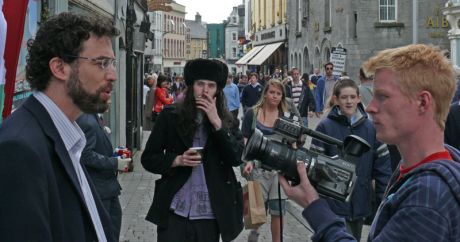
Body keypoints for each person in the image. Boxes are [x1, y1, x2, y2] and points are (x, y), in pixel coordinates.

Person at [280, 44, 460, 241]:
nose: (371, 107)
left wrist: (315, 208)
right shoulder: (423, 167)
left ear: (423, 102)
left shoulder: (426, 199)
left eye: (383, 97)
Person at [0, 12, 118, 241]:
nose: (112, 75)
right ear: (60, 68)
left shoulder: (68, 137)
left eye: (112, 63)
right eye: (102, 63)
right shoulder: (19, 148)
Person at [141, 58, 244, 242]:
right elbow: (148, 158)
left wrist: (217, 124)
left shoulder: (228, 121)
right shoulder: (170, 116)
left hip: (210, 213)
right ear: (191, 86)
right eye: (200, 84)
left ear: (218, 90)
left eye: (211, 85)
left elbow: (236, 157)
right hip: (175, 209)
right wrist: (177, 160)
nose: (205, 91)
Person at [310, 78, 391, 239]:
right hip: (333, 206)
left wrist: (383, 204)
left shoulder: (370, 128)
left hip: (359, 203)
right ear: (336, 99)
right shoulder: (325, 127)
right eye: (344, 97)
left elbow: (383, 169)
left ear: (359, 98)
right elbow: (313, 166)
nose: (349, 101)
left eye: (352, 97)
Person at [242, 79, 300, 242]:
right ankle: (254, 234)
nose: (275, 96)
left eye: (279, 94)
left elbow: (294, 143)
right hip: (258, 168)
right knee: (256, 212)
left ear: (282, 97)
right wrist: (248, 161)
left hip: (279, 171)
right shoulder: (252, 114)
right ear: (265, 93)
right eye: (272, 92)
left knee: (278, 210)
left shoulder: (287, 116)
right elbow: (246, 141)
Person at [77, 113, 132, 240]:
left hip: (107, 188)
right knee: (107, 233)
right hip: (100, 190)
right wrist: (115, 163)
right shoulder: (87, 121)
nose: (109, 99)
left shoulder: (95, 118)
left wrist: (115, 156)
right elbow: (86, 155)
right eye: (106, 93)